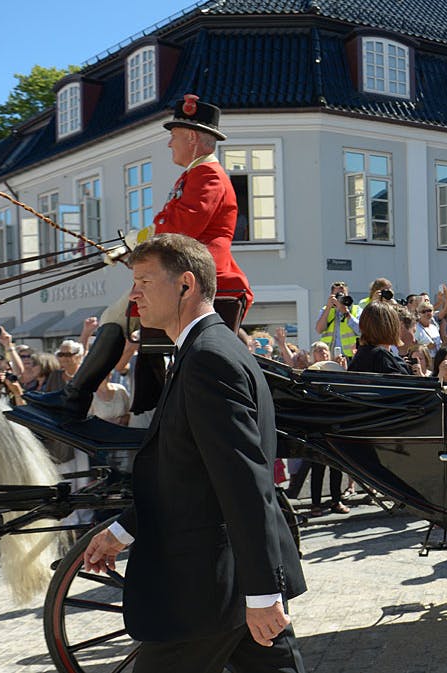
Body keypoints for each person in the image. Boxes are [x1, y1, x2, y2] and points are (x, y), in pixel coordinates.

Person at [80, 233, 305, 673]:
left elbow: (244, 483)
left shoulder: (208, 358)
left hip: (210, 585)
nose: (134, 294)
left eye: (144, 280)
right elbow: (186, 473)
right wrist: (122, 532)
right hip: (223, 581)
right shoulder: (202, 352)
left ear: (186, 285)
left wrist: (261, 596)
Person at [30, 94, 253, 419]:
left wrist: (137, 245)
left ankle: (75, 398)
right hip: (180, 271)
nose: (169, 144)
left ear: (191, 137)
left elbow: (179, 226)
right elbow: (168, 227)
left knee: (114, 316)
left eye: (173, 136)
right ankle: (83, 397)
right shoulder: (194, 176)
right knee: (116, 315)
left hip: (199, 274)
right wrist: (132, 245)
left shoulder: (209, 176)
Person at [315, 281, 360, 359]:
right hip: (330, 356)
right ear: (332, 296)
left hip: (351, 356)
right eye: (338, 296)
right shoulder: (326, 310)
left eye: (343, 295)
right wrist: (329, 307)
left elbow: (362, 330)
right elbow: (319, 330)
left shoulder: (356, 310)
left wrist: (346, 313)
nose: (340, 299)